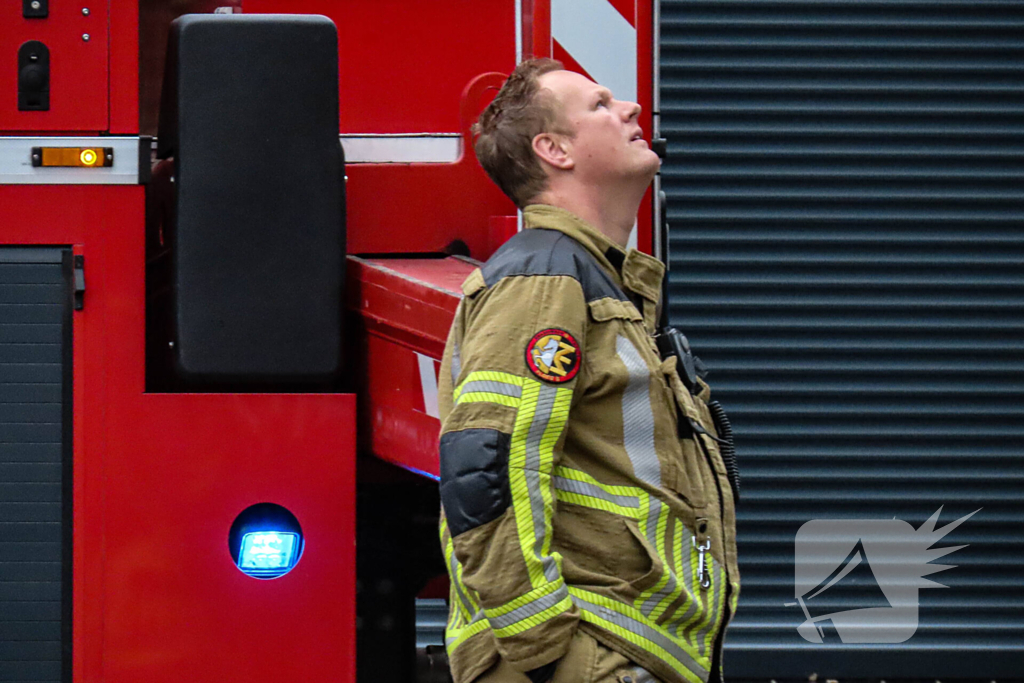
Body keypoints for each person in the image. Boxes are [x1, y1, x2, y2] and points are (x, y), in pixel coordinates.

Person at [437, 58, 739, 683]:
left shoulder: (603, 283)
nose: (631, 108)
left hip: (628, 649)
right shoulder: (543, 279)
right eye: (600, 105)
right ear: (554, 150)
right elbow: (487, 468)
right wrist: (545, 650)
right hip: (588, 654)